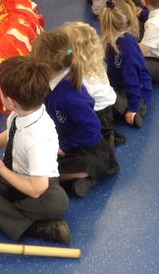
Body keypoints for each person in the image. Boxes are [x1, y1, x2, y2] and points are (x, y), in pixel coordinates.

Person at [0, 55, 71, 244]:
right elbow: (14, 132)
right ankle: (27, 223)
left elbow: (37, 190)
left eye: (0, 91)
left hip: (38, 186)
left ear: (10, 101)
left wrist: (0, 170)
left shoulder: (37, 138)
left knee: (57, 202)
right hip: (15, 176)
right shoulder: (21, 113)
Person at [31, 30, 119, 197]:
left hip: (86, 148)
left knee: (47, 171)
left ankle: (84, 176)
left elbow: (92, 128)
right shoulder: (55, 81)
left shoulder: (69, 96)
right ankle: (77, 181)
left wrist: (65, 145)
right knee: (40, 164)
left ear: (45, 66)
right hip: (66, 140)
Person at [61, 21, 120, 146]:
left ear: (72, 49)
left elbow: (82, 101)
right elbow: (68, 53)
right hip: (108, 103)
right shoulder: (94, 61)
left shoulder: (82, 77)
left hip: (99, 113)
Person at [99, 0, 153, 130]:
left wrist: (133, 108)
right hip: (118, 86)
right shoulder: (110, 39)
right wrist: (70, 52)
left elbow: (132, 79)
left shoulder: (128, 46)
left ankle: (137, 110)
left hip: (135, 92)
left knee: (103, 106)